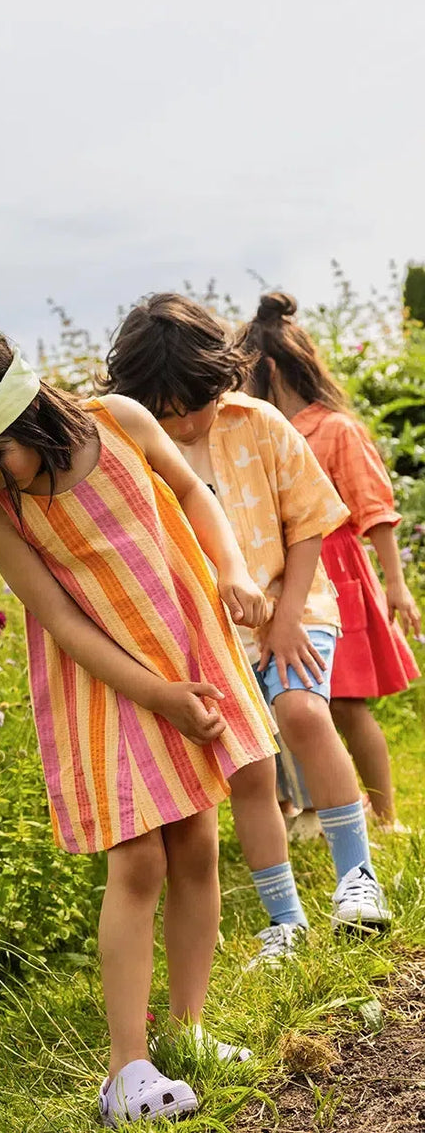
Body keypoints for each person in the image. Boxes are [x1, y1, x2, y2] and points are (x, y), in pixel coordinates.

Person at [0, 317, 279, 1125]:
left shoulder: (124, 423)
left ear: (19, 422)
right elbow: (64, 626)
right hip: (108, 687)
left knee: (199, 846)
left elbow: (193, 495)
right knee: (138, 861)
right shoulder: (0, 515)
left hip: (185, 655)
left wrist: (233, 569)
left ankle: (190, 1030)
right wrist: (158, 694)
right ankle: (125, 1068)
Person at [101, 293, 391, 964]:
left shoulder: (259, 423)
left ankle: (357, 876)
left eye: (189, 409)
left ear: (219, 379)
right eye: (163, 415)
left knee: (304, 714)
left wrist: (287, 619)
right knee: (252, 773)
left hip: (294, 608)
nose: (179, 426)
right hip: (213, 639)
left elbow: (310, 522)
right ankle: (284, 920)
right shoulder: (135, 450)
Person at [242, 292, 420, 833]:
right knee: (301, 704)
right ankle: (325, 810)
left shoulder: (336, 429)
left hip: (340, 573)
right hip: (291, 576)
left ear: (269, 368)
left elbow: (375, 511)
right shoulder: (261, 433)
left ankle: (386, 819)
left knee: (347, 704)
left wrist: (397, 584)